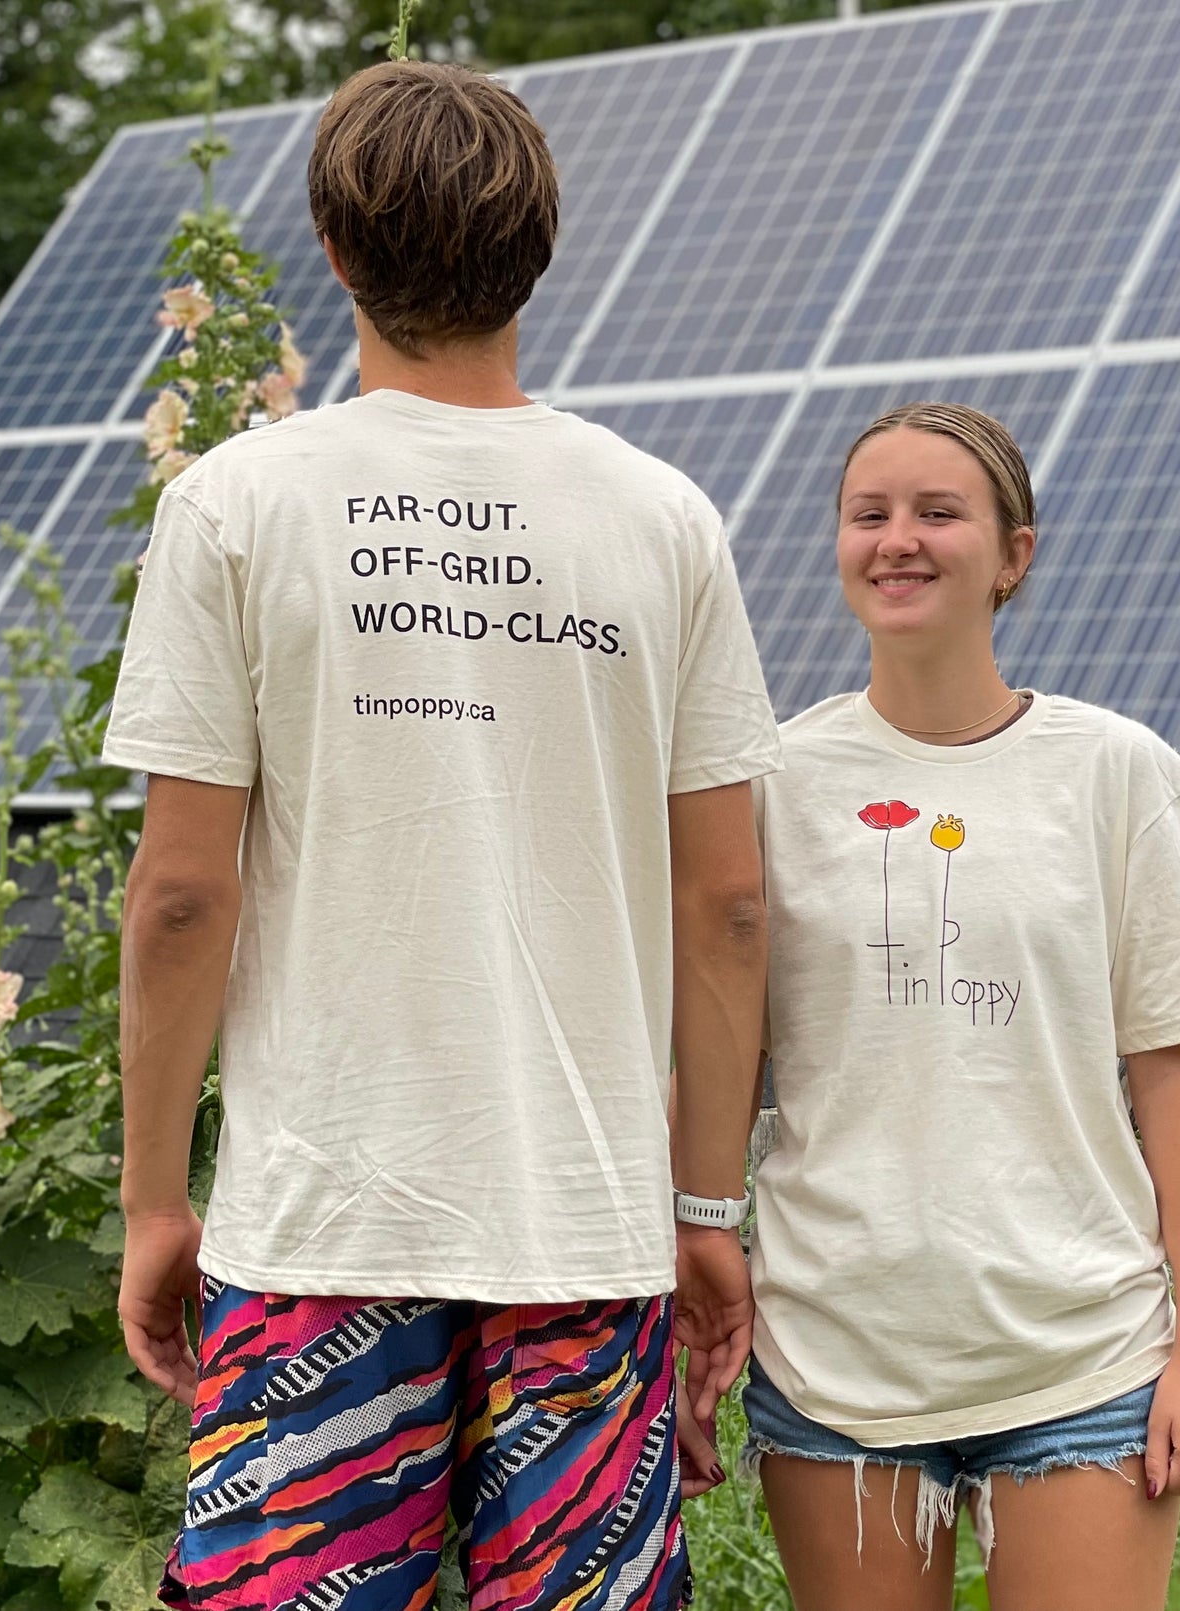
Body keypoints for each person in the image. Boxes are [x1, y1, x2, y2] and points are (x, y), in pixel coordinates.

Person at [106, 60, 779, 1611]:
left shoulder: (234, 506)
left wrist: (155, 1197)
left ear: (334, 253)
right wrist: (706, 1209)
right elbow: (731, 903)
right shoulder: (661, 516)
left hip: (325, 1224)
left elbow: (182, 893)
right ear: (538, 253)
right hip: (585, 1230)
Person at [742, 403, 1180, 1611]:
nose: (897, 540)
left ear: (1014, 555)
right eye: (867, 514)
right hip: (833, 1358)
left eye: (938, 513)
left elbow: (1173, 1075)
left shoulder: (1120, 777)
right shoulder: (771, 788)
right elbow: (722, 1062)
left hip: (1078, 1355)